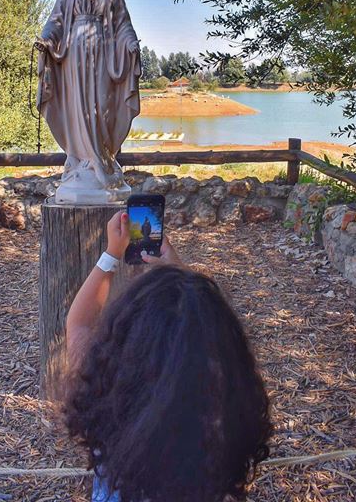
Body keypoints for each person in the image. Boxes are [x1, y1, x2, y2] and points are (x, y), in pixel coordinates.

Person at [65, 212, 272, 502]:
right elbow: (205, 326)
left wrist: (112, 252)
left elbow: (80, 325)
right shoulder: (224, 419)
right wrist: (185, 280)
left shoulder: (110, 407)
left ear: (123, 346)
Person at [35, 0, 140, 198]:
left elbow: (122, 23)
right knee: (77, 106)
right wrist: (46, 40)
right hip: (73, 55)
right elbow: (55, 19)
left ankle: (102, 159)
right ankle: (82, 160)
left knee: (101, 105)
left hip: (103, 52)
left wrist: (130, 43)